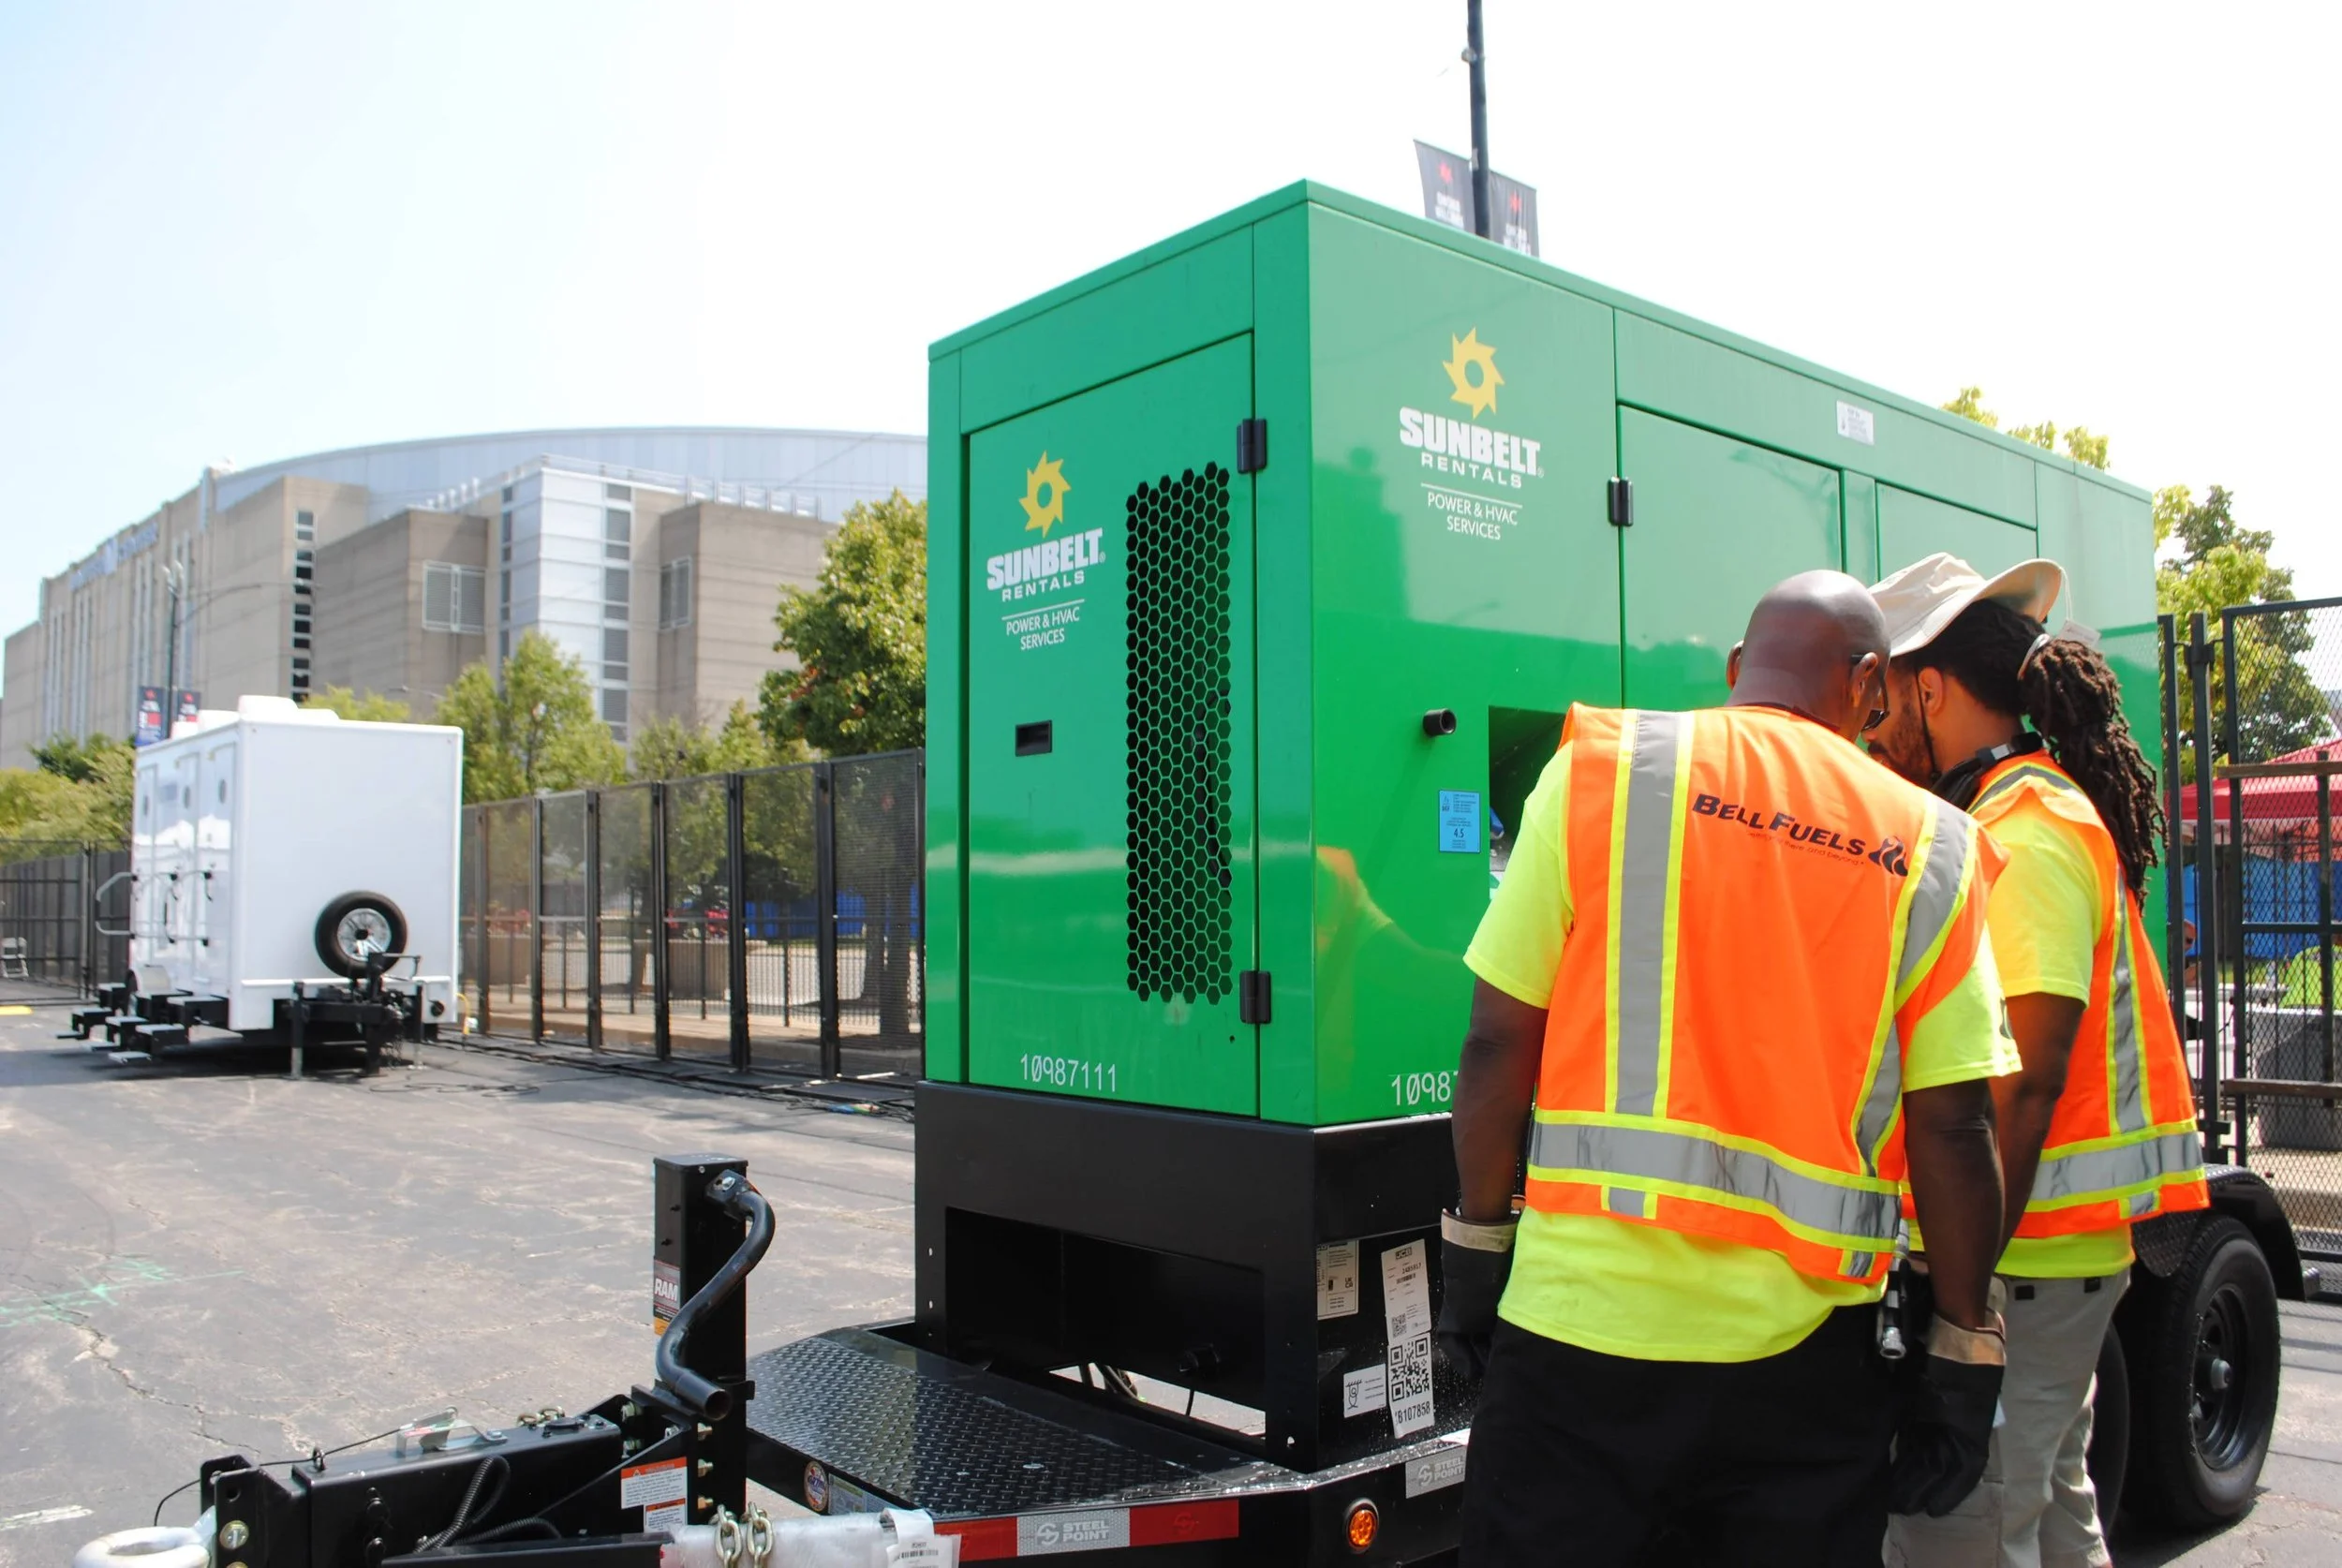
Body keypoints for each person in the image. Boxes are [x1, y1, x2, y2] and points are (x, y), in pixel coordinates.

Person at [1440, 570, 2019, 1566]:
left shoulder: (1600, 772)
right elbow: (1956, 1126)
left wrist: (1474, 1254)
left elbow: (1497, 1043)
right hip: (1804, 1370)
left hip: (1576, 1336)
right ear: (1868, 683)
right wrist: (1964, 1348)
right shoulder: (1932, 844)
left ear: (1737, 667)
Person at [1865, 553, 2209, 1568]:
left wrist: (1956, 1307)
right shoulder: (2015, 815)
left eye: (1882, 704)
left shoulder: (2025, 832)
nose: (1872, 733)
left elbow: (2021, 1084)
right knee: (2053, 1516)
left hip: (2019, 1271)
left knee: (1965, 1534)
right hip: (2044, 1263)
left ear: (1929, 690)